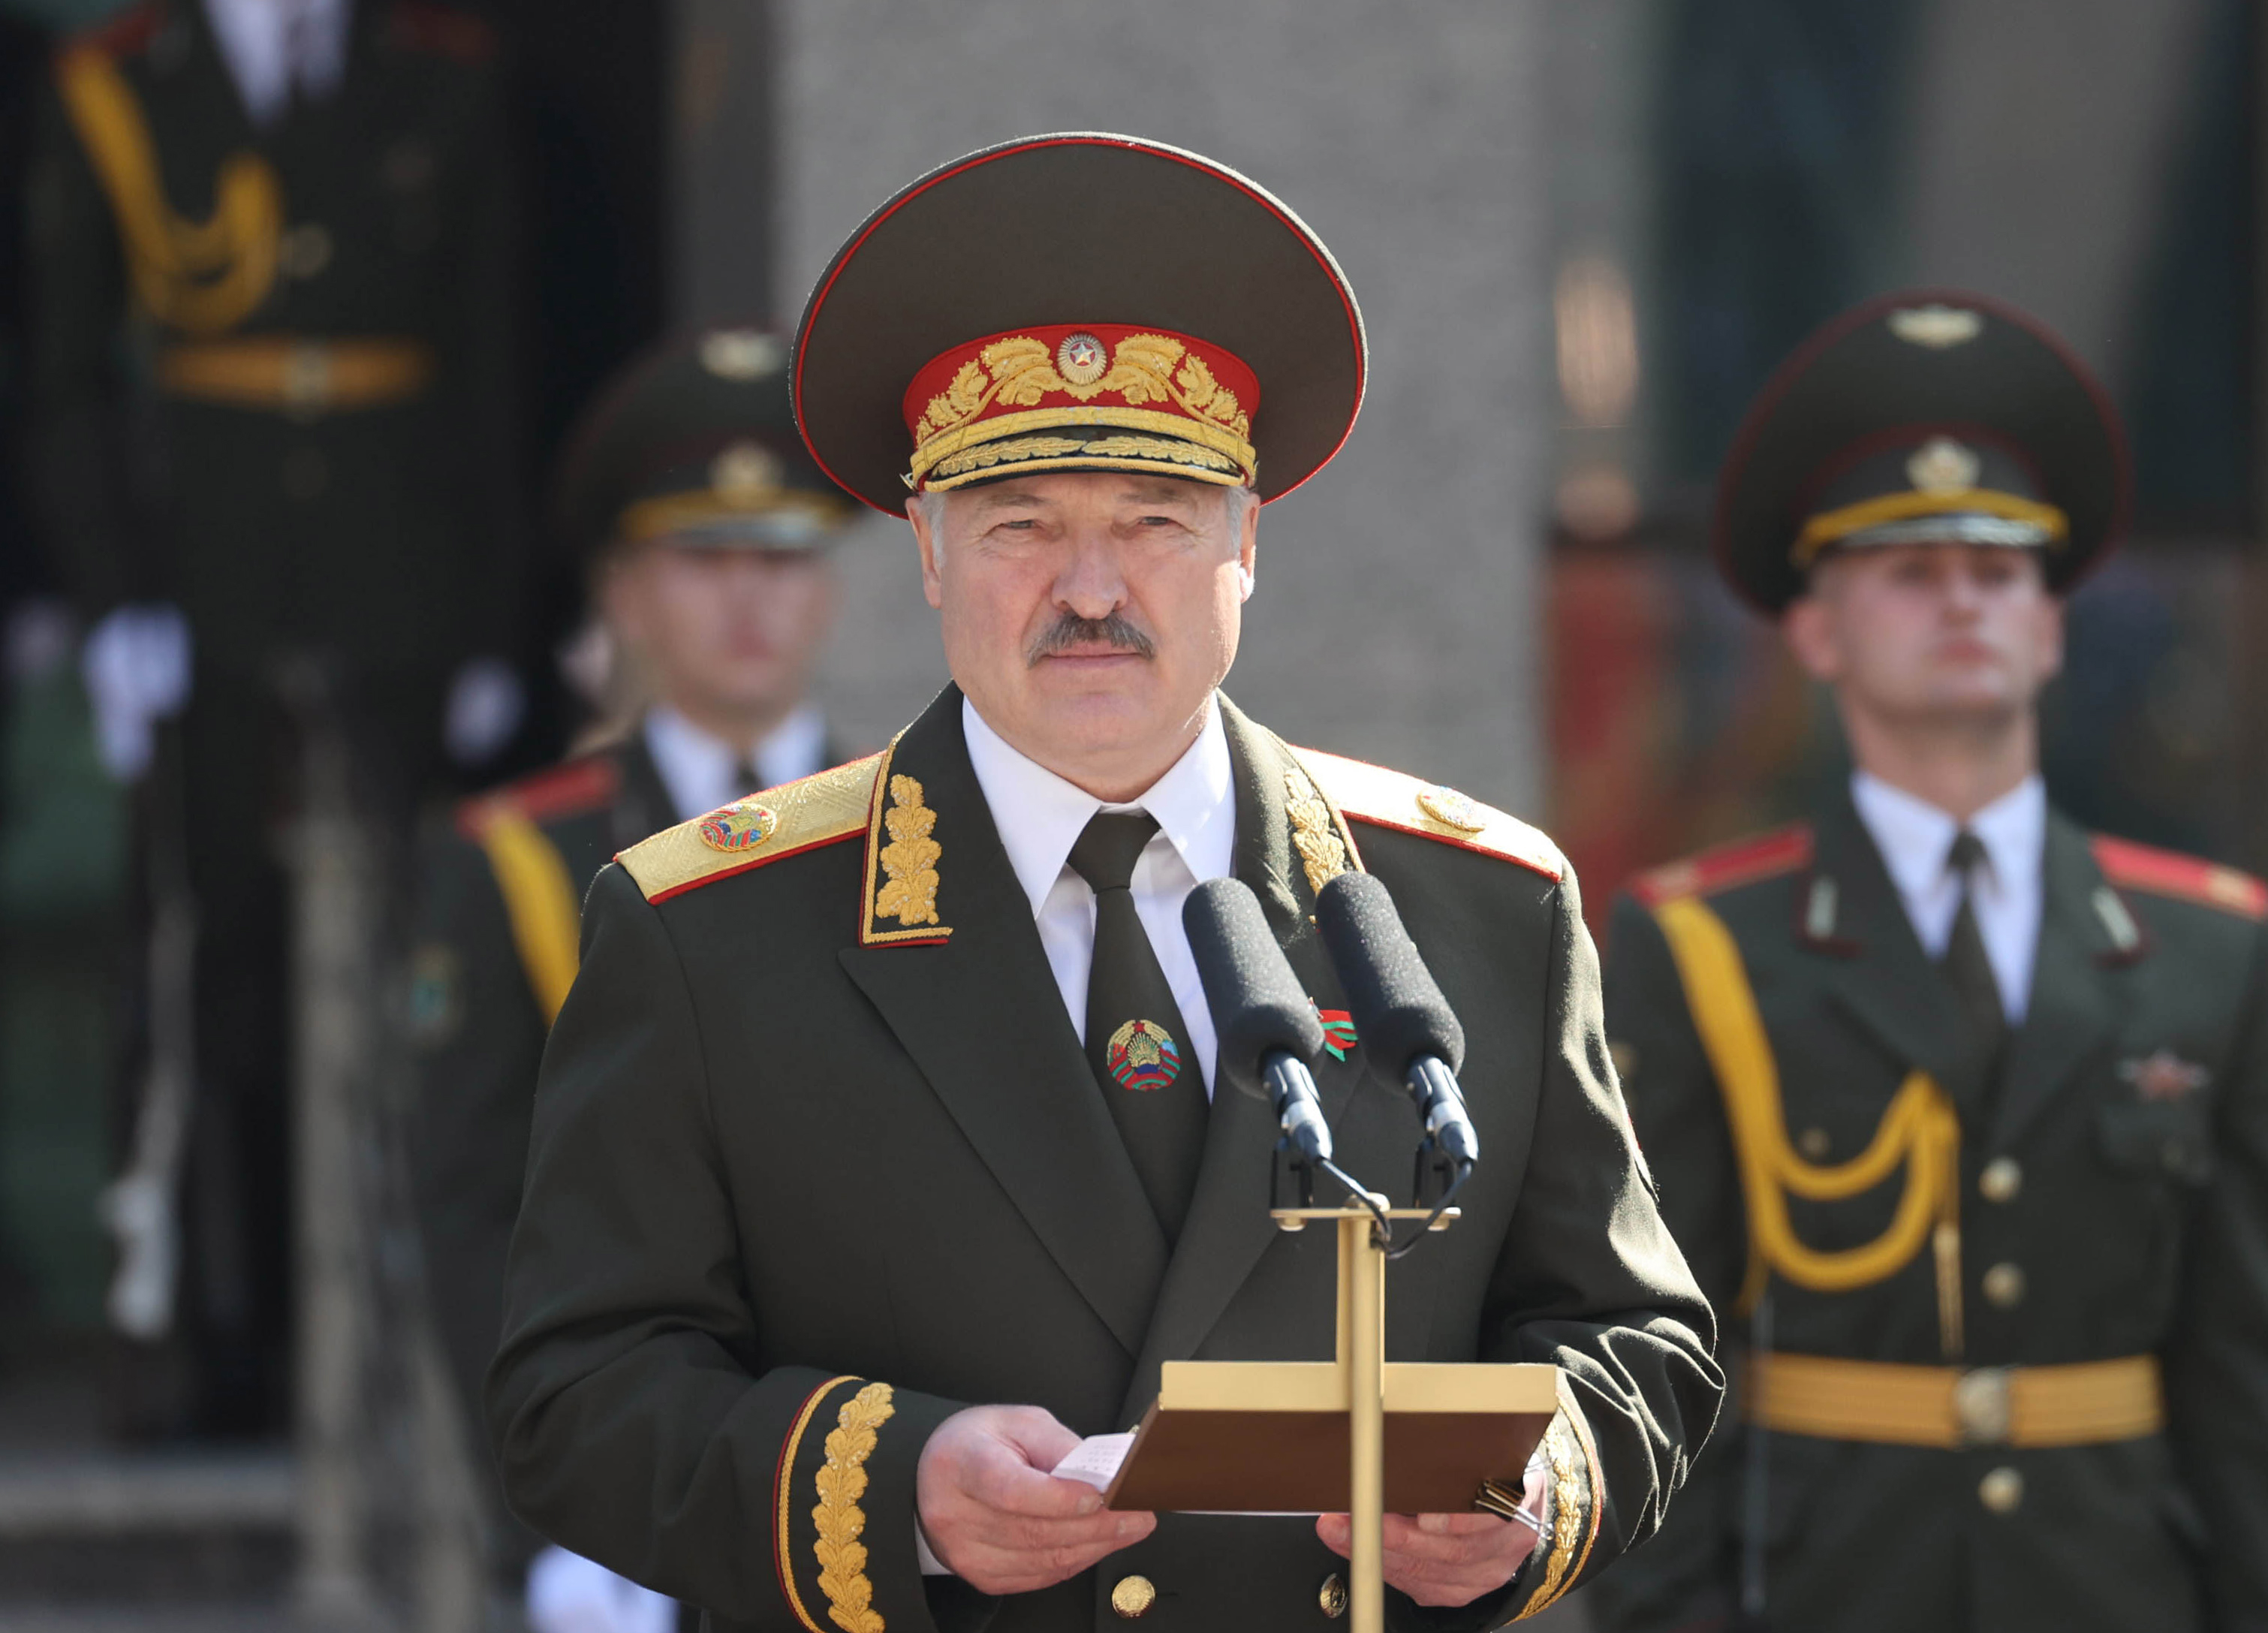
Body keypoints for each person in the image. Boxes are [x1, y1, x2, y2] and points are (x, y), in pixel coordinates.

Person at [486, 133, 1718, 1633]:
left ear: (1245, 542)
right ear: (928, 554)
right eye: (1020, 527)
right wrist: (893, 1483)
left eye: (1151, 521)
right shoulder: (710, 931)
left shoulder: (1471, 908)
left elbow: (1630, 1330)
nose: (1087, 589)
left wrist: (1533, 1486)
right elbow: (576, 1387)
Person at [1586, 292, 2268, 1633]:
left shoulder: (2215, 946)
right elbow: (1665, 1356)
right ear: (1818, 633)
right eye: (1909, 572)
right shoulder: (1702, 942)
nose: (1962, 598)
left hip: (2120, 1592)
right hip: (1829, 1590)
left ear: (2052, 625)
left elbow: (2241, 1365)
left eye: (2000, 572)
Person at [22, 0, 522, 1431]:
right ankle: (200, 1342)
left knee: (418, 966)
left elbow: (486, 357)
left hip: (400, 593)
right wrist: (116, 597)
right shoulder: (121, 84)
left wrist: (492, 616)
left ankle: (406, 1355)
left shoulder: (435, 68)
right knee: (200, 969)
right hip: (205, 591)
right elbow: (63, 375)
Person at [411, 326, 857, 1622]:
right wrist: (545, 1511)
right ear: (622, 594)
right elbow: (473, 1214)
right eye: (704, 558)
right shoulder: (523, 861)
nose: (749, 600)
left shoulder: (926, 825)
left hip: (881, 1467)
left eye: (782, 559)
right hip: (639, 1478)